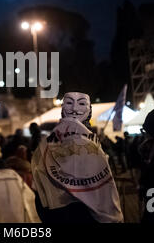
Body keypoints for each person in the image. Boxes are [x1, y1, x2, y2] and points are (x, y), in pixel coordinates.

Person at [31, 92, 123, 223]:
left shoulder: (44, 145)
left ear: (89, 109)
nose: (74, 108)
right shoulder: (86, 143)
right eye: (69, 102)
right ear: (63, 107)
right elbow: (104, 195)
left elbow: (39, 191)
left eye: (81, 103)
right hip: (82, 215)